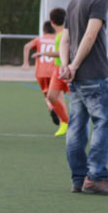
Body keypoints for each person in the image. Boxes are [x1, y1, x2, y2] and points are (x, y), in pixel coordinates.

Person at [58, 0, 108, 196]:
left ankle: (78, 178)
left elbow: (65, 39)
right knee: (105, 123)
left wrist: (67, 65)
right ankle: (95, 176)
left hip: (77, 78)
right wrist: (73, 65)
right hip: (95, 73)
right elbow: (91, 34)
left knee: (76, 128)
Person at [23, 8, 70, 136]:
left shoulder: (64, 35)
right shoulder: (58, 35)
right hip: (56, 69)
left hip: (66, 70)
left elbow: (61, 53)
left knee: (76, 99)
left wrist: (43, 53)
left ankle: (71, 124)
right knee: (52, 96)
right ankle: (65, 122)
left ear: (52, 22)